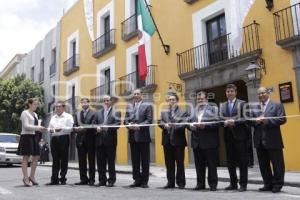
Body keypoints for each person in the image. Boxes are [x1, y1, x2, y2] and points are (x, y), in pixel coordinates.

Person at [250, 87, 286, 193]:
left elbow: (282, 119)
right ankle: (268, 184)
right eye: (259, 94)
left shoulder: (277, 105)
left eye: (263, 93)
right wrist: (255, 122)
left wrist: (267, 121)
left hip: (273, 140)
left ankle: (277, 185)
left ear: (268, 93)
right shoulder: (254, 108)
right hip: (259, 141)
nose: (261, 95)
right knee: (263, 165)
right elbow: (249, 121)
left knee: (277, 164)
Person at [188, 91, 219, 191]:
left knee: (211, 164)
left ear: (206, 99)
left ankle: (213, 184)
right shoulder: (193, 110)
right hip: (196, 141)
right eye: (198, 99)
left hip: (209, 141)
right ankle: (200, 184)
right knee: (199, 165)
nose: (199, 100)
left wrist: (205, 125)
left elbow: (217, 123)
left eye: (201, 99)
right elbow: (188, 123)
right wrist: (190, 126)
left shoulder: (213, 109)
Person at [220, 84, 249, 192]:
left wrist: (234, 122)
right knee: (230, 162)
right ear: (226, 93)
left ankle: (243, 184)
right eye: (228, 91)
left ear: (235, 92)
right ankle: (233, 183)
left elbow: (246, 118)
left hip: (240, 137)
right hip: (228, 137)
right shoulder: (222, 105)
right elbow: (220, 118)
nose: (230, 93)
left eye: (232, 91)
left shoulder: (242, 103)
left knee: (242, 161)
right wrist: (225, 122)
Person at [124, 89, 153, 188]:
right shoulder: (129, 106)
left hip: (143, 137)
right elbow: (125, 121)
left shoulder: (148, 106)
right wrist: (129, 124)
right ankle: (137, 180)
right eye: (134, 94)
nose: (136, 95)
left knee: (145, 161)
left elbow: (149, 120)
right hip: (132, 137)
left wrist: (139, 126)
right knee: (135, 160)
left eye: (138, 94)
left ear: (142, 95)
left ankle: (144, 181)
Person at [158, 92, 188, 189]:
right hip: (167, 141)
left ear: (177, 100)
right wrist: (164, 125)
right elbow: (159, 122)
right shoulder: (163, 111)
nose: (172, 101)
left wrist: (176, 126)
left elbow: (185, 123)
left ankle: (181, 183)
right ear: (168, 101)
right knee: (169, 163)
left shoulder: (183, 112)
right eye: (170, 100)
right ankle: (170, 182)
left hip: (178, 141)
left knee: (180, 163)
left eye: (173, 99)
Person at [17, 98, 46, 186]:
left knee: (36, 157)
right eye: (34, 104)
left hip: (34, 137)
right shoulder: (24, 113)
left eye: (37, 104)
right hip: (26, 136)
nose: (36, 106)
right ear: (29, 104)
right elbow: (26, 126)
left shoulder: (36, 114)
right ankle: (25, 178)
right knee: (26, 157)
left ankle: (32, 177)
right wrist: (38, 128)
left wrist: (41, 129)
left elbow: (36, 126)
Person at [93, 95, 121, 187]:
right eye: (104, 100)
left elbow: (117, 124)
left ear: (111, 101)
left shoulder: (116, 112)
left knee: (111, 162)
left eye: (107, 100)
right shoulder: (98, 113)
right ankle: (102, 180)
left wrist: (107, 128)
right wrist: (96, 127)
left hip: (110, 141)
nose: (106, 102)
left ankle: (111, 180)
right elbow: (93, 124)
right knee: (100, 162)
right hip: (99, 140)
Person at [46, 101, 74, 185]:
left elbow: (70, 128)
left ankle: (63, 178)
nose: (57, 108)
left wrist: (61, 129)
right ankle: (54, 179)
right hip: (54, 139)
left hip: (64, 138)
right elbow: (49, 128)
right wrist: (52, 130)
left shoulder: (68, 116)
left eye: (59, 106)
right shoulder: (53, 117)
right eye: (56, 107)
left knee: (64, 159)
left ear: (63, 108)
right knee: (55, 160)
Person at [73, 98, 96, 186]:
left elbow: (93, 124)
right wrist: (75, 128)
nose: (83, 104)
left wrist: (83, 128)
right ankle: (83, 179)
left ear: (88, 103)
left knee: (91, 161)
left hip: (90, 140)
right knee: (81, 161)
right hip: (80, 141)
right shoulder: (77, 114)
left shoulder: (94, 113)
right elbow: (74, 124)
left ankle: (91, 179)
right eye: (82, 102)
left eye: (85, 102)